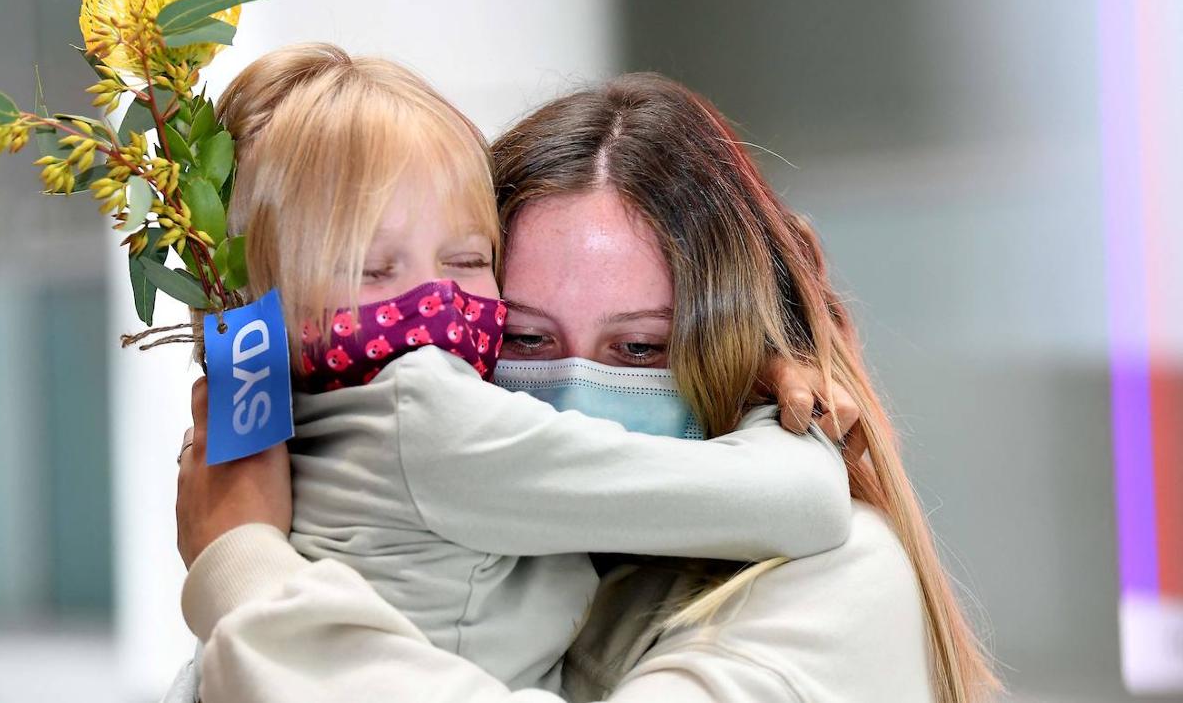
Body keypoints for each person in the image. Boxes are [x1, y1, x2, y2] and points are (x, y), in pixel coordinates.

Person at [176, 73, 999, 702]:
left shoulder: (842, 580)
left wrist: (243, 571)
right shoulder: (500, 548)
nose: (572, 388)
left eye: (641, 347)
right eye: (528, 337)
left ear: (734, 347)